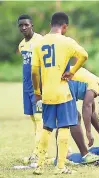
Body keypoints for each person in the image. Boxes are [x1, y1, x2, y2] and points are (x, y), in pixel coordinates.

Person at [31, 12, 88, 174]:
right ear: (64, 27)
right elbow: (84, 55)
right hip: (63, 93)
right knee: (64, 128)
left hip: (47, 94)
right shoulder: (67, 41)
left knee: (47, 128)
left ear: (50, 24)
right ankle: (60, 166)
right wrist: (72, 71)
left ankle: (40, 166)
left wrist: (37, 92)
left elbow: (34, 72)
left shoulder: (39, 43)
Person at [65, 67, 99, 163]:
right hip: (63, 85)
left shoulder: (94, 84)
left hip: (64, 86)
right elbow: (86, 106)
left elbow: (92, 113)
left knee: (66, 121)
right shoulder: (97, 83)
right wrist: (88, 132)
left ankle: (61, 154)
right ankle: (85, 155)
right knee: (74, 117)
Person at [18, 14, 43, 163]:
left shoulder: (40, 41)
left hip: (37, 88)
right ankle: (37, 150)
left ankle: (38, 152)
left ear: (31, 25)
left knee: (40, 119)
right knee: (34, 119)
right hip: (26, 87)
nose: (23, 27)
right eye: (21, 25)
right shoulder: (21, 45)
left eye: (26, 25)